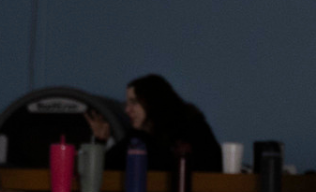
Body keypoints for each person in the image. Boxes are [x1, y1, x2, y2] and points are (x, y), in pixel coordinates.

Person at [86, 74, 223, 173]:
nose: (127, 110)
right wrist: (100, 141)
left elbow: (213, 169)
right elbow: (103, 171)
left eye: (134, 102)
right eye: (127, 104)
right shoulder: (136, 139)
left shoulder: (193, 129)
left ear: (152, 102)